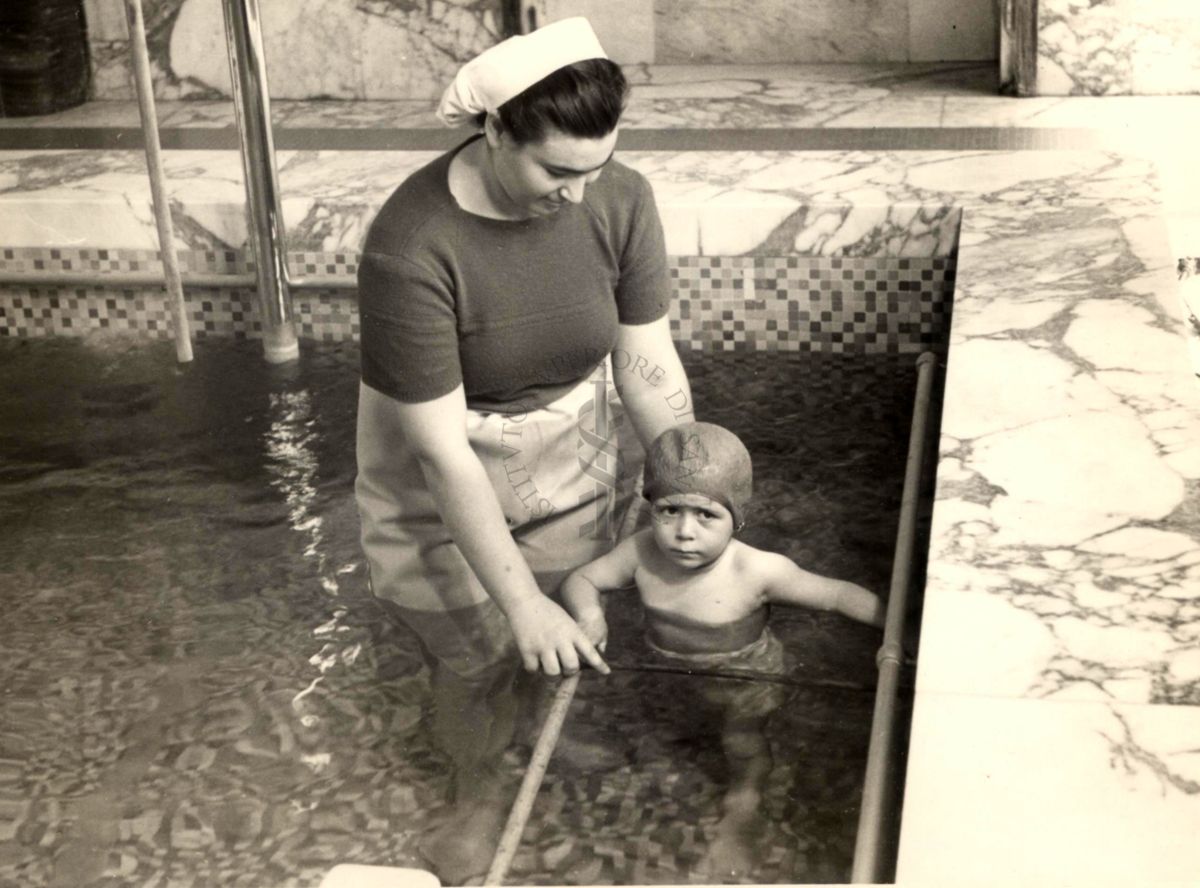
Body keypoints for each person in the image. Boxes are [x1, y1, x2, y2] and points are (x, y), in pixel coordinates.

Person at [353, 17, 693, 882]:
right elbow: (441, 453)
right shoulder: (412, 245)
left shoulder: (619, 196)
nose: (578, 194)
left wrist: (685, 482)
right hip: (441, 468)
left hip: (566, 449)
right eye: (555, 170)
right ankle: (474, 788)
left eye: (596, 166)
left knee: (567, 615)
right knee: (475, 650)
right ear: (496, 130)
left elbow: (646, 363)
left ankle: (549, 734)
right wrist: (517, 604)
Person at [561, 421, 883, 879]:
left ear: (739, 519)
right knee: (662, 729)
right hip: (666, 666)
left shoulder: (758, 571)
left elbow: (837, 595)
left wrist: (896, 627)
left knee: (742, 742)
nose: (684, 532)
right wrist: (590, 614)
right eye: (669, 511)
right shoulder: (640, 553)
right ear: (651, 507)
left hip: (743, 676)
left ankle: (742, 808)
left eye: (706, 515)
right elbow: (583, 578)